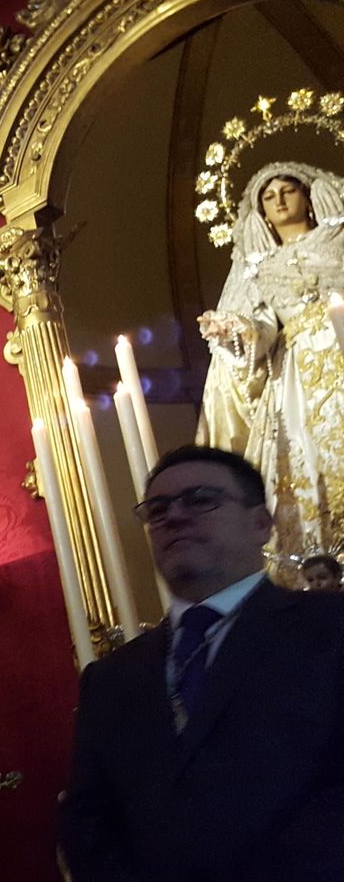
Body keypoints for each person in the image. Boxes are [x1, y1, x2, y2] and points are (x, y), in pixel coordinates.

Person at [58, 445, 344, 880]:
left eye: (201, 500)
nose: (174, 516)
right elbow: (88, 823)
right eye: (157, 510)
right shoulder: (110, 678)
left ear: (260, 524)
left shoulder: (329, 628)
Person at [197, 162, 344, 573]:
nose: (279, 200)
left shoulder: (338, 241)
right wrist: (236, 331)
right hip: (295, 376)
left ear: (308, 196)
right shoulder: (258, 267)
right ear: (260, 211)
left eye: (287, 190)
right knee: (304, 460)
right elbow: (263, 328)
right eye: (268, 195)